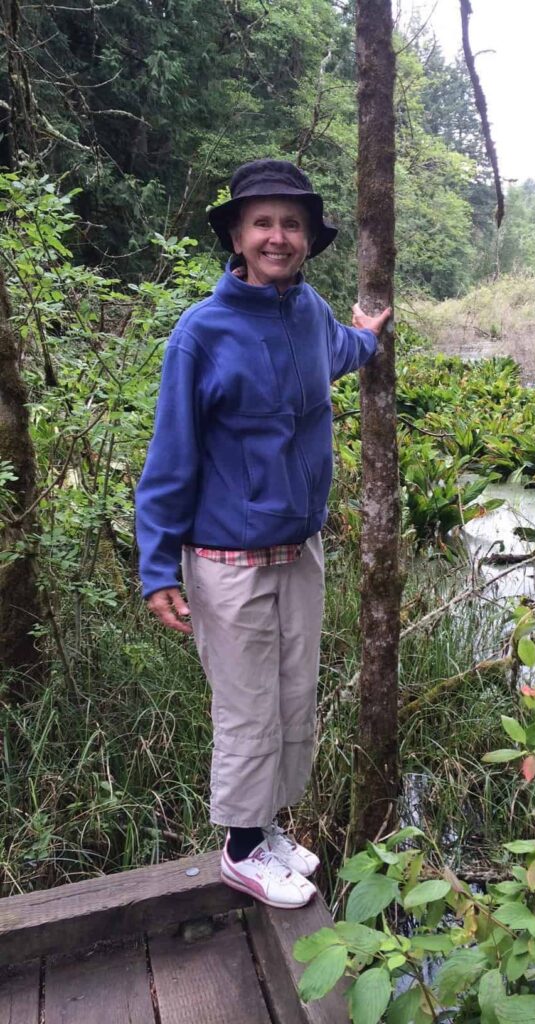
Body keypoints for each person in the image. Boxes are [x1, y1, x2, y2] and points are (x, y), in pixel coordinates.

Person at [135, 159, 391, 908]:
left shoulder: (308, 312)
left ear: (308, 238)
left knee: (292, 697)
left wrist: (367, 338)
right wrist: (157, 569)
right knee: (247, 708)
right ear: (239, 238)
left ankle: (268, 828)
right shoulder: (201, 334)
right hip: (227, 560)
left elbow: (335, 355)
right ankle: (241, 850)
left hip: (300, 551)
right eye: (262, 223)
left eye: (291, 224)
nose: (278, 236)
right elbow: (170, 459)